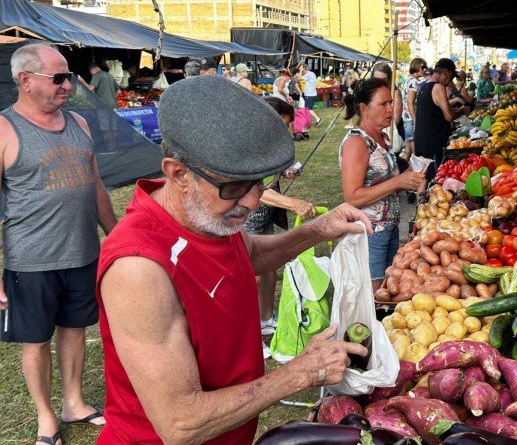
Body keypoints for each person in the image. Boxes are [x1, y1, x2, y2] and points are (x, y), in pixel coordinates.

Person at [96, 75, 370, 443]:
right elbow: (180, 423)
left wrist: (317, 229)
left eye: (260, 182)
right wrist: (301, 373)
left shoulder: (205, 216)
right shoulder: (138, 267)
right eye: (235, 187)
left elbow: (249, 255)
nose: (254, 201)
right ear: (178, 174)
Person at [0, 44, 118, 445]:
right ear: (25, 80)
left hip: (82, 253)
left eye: (67, 76)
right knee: (35, 340)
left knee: (74, 329)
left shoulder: (79, 125)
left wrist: (116, 240)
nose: (68, 84)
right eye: (58, 77)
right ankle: (46, 417)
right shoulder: (4, 130)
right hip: (30, 261)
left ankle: (74, 402)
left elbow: (98, 187)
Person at [339, 78, 426, 291]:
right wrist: (398, 182)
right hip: (370, 231)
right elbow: (352, 197)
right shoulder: (357, 143)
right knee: (373, 293)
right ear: (363, 108)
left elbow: (384, 181)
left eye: (391, 103)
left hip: (388, 227)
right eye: (383, 104)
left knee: (387, 288)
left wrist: (409, 177)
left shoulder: (382, 138)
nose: (390, 109)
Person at [245, 97, 315, 355]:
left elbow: (270, 176)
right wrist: (292, 203)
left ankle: (266, 320)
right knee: (250, 277)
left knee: (269, 267)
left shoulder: (270, 146)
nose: (285, 131)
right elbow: (256, 191)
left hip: (263, 219)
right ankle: (249, 333)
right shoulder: (247, 146)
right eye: (282, 124)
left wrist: (286, 173)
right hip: (245, 220)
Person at [415, 58, 469, 179]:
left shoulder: (424, 86)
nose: (450, 81)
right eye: (450, 77)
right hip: (433, 142)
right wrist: (462, 111)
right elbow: (449, 116)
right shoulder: (438, 87)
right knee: (434, 178)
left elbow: (435, 109)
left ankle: (420, 196)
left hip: (422, 140)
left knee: (424, 177)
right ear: (445, 72)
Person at [400, 58, 427, 165]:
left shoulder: (408, 79)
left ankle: (400, 170)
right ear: (415, 67)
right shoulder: (414, 82)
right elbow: (410, 103)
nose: (424, 70)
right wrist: (416, 121)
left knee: (408, 150)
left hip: (406, 118)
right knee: (415, 151)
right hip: (410, 119)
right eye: (422, 67)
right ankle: (416, 173)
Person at [372, 62, 405, 147]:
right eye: (376, 79)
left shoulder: (395, 93)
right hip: (374, 133)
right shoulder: (371, 92)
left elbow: (395, 120)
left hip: (390, 134)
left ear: (389, 79)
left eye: (383, 79)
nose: (378, 82)